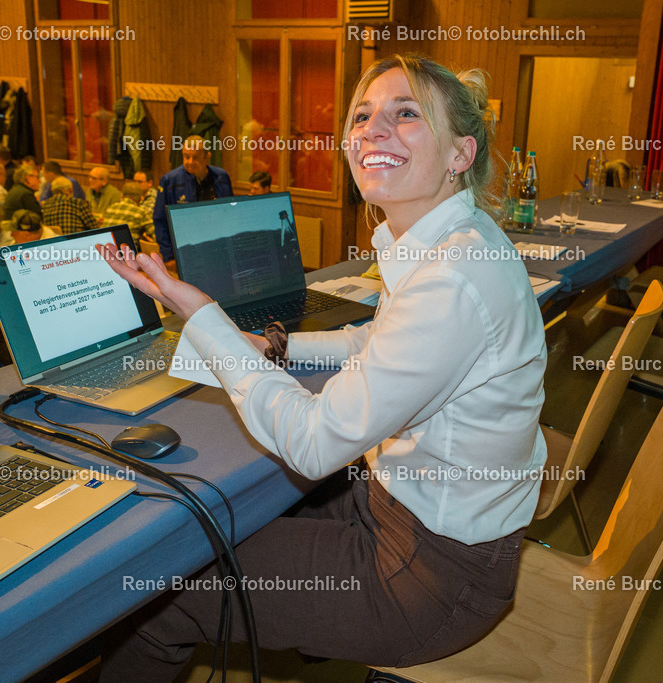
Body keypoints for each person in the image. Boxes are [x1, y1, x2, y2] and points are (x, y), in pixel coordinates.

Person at [96, 54, 548, 679]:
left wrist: (202, 315)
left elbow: (312, 444)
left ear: (459, 153)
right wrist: (271, 347)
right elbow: (377, 341)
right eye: (362, 116)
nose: (372, 130)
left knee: (158, 592)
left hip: (431, 576)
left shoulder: (452, 278)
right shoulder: (451, 241)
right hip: (400, 513)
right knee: (220, 521)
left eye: (406, 114)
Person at [152, 135, 233, 265]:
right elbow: (160, 220)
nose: (190, 162)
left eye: (195, 157)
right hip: (185, 250)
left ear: (207, 157)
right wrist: (169, 256)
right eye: (186, 157)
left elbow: (229, 213)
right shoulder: (169, 180)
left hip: (218, 247)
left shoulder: (221, 177)